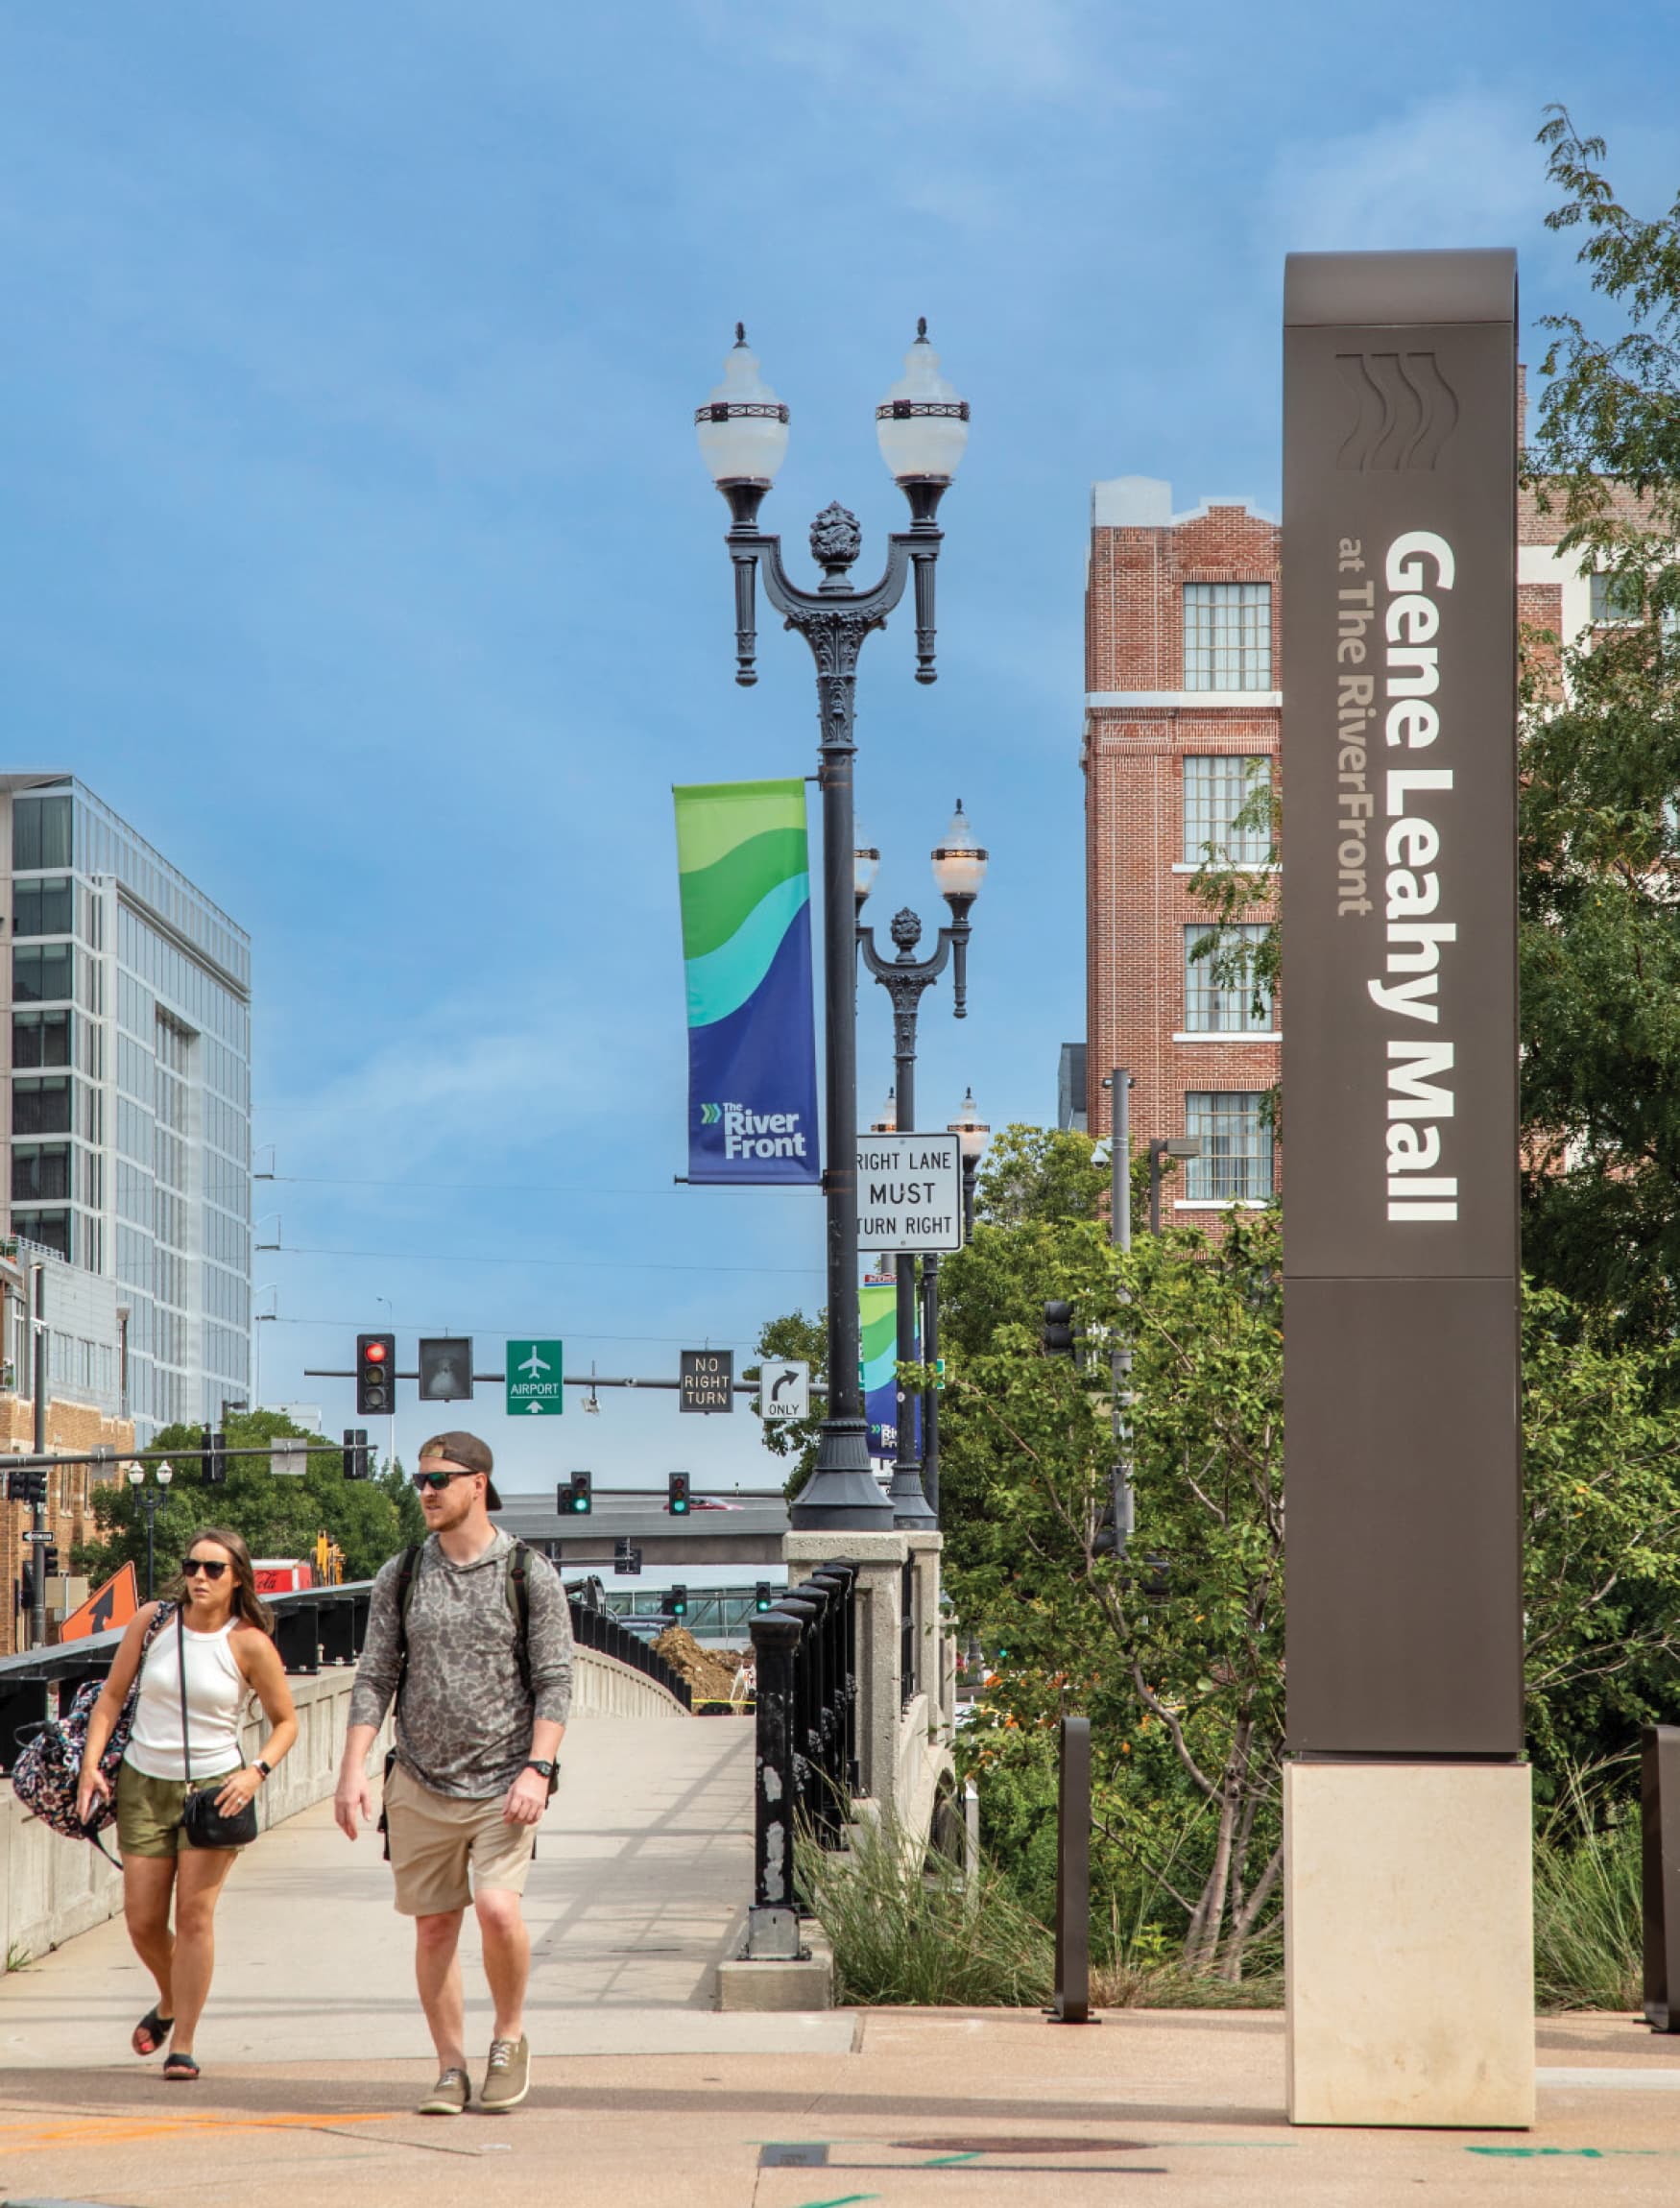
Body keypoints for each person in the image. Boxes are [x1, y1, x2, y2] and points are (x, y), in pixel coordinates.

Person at [334, 1431, 573, 2117]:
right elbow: (376, 1675)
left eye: (440, 1479)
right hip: (418, 1780)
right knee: (435, 1929)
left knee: (498, 1911)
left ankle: (508, 2036)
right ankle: (448, 2067)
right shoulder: (402, 1573)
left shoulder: (527, 1572)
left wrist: (538, 1768)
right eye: (420, 1480)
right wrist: (353, 1769)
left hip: (505, 1784)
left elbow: (555, 1681)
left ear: (478, 1484)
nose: (426, 1492)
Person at [76, 1526, 299, 2082]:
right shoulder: (152, 1622)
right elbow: (110, 1697)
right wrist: (89, 1765)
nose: (199, 1577)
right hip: (143, 1785)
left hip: (215, 1790)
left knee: (193, 1917)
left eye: (214, 1570)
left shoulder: (248, 1642)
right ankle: (170, 2001)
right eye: (193, 1566)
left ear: (237, 1579)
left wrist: (256, 1772)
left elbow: (286, 1723)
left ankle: (186, 2042)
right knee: (143, 1921)